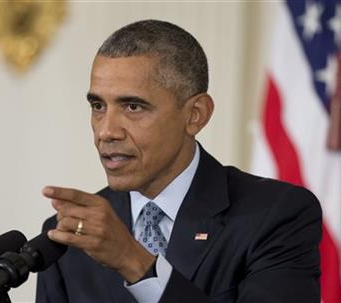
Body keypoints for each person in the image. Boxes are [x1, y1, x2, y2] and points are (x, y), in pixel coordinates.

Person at [36, 19, 322, 303]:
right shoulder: (73, 233)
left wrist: (132, 260)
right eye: (98, 106)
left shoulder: (276, 215)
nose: (106, 131)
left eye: (133, 106)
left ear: (195, 114)